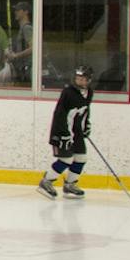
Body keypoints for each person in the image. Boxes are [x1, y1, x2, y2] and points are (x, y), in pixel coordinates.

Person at [38, 65, 95, 200]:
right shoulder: (68, 92)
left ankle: (70, 185)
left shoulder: (89, 92)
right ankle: (46, 182)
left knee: (81, 158)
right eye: (78, 78)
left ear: (89, 80)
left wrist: (86, 125)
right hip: (61, 132)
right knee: (66, 159)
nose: (80, 81)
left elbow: (85, 111)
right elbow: (59, 114)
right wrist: (63, 134)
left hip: (76, 132)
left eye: (83, 79)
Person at [0, 2, 34, 86]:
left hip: (26, 69)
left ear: (26, 12)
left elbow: (33, 48)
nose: (15, 12)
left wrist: (16, 55)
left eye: (18, 10)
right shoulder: (21, 29)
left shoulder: (27, 28)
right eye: (15, 10)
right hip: (21, 69)